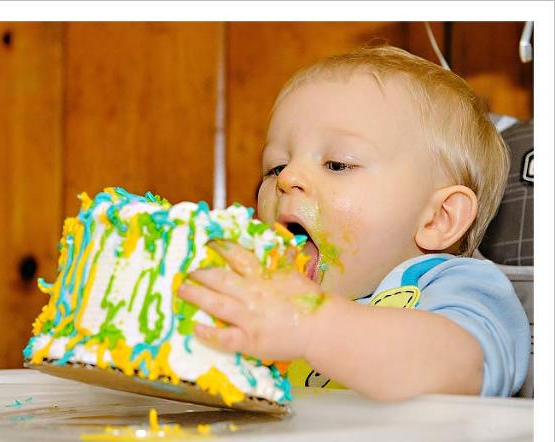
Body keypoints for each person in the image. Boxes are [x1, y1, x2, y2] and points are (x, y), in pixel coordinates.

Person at [177, 45, 530, 400]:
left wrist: (312, 326)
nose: (287, 179)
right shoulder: (267, 305)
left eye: (337, 164)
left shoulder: (453, 286)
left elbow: (462, 368)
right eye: (275, 167)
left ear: (439, 218)